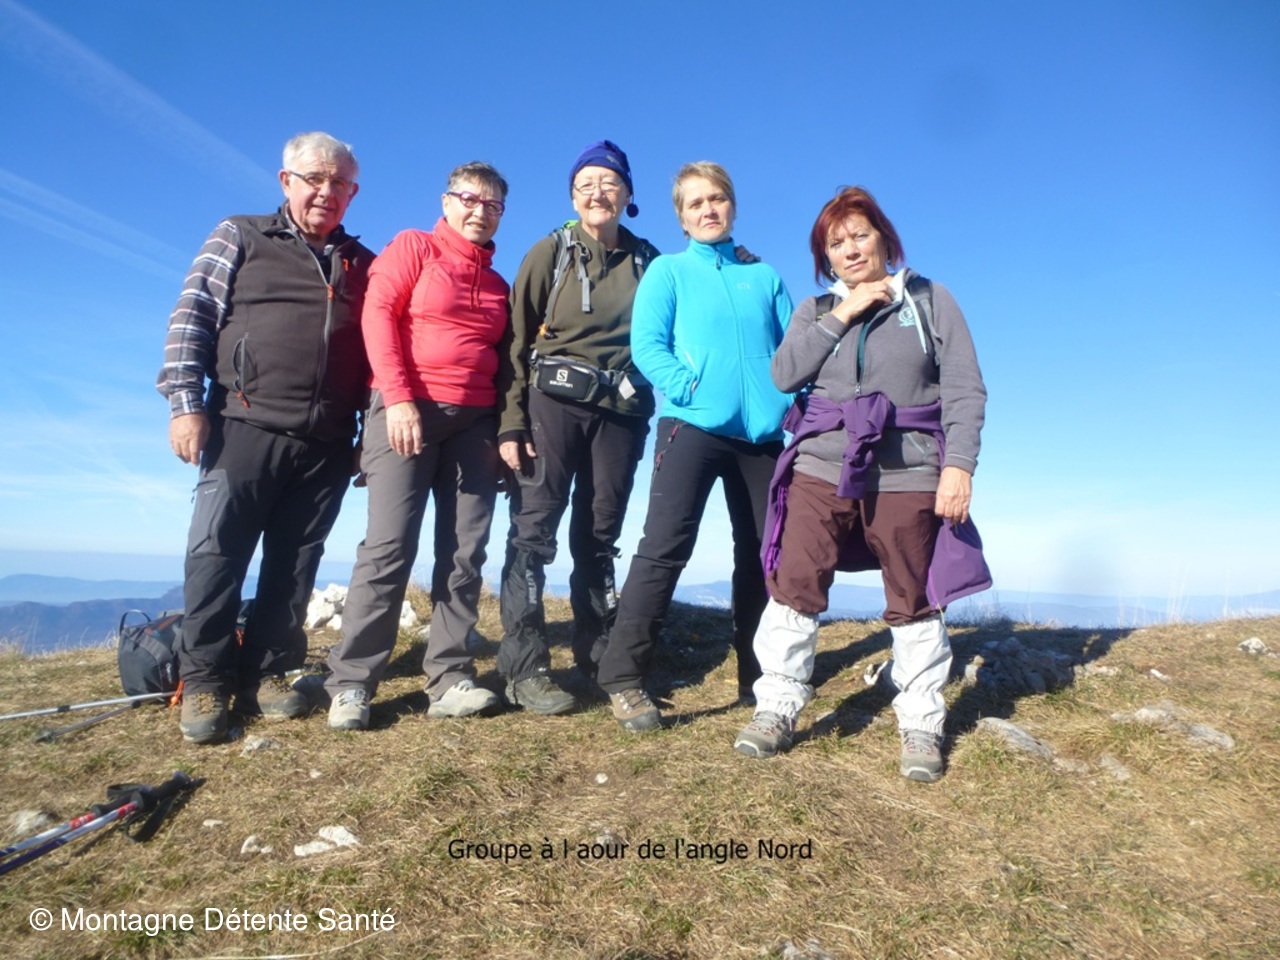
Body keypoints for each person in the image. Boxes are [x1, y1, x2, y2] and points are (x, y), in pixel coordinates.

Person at [733, 186, 988, 783]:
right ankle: (777, 706)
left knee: (914, 594)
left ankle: (921, 721)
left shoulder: (929, 299)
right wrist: (844, 312)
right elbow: (784, 374)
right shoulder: (816, 309)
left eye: (859, 236)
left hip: (909, 470)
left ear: (884, 240)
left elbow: (964, 388)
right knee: (796, 583)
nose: (849, 249)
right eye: (835, 243)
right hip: (819, 466)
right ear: (825, 257)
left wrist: (960, 466)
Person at [157, 131, 373, 744]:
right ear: (286, 181)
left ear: (353, 192)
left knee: (296, 562)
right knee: (217, 555)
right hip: (241, 425)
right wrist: (184, 404)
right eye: (314, 178)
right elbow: (192, 316)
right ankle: (205, 679)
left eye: (340, 183)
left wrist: (368, 430)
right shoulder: (241, 235)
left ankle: (270, 670)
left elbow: (376, 351)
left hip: (328, 439)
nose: (326, 192)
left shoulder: (363, 262)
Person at [595, 161, 794, 732]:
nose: (708, 210)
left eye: (717, 199)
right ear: (681, 218)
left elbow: (794, 352)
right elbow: (647, 345)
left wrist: (792, 403)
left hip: (763, 437)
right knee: (665, 547)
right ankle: (624, 677)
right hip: (692, 427)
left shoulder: (765, 277)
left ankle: (759, 675)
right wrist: (688, 387)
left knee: (764, 555)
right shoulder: (669, 271)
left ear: (732, 206)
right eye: (695, 203)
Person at [324, 162, 512, 730]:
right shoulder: (414, 246)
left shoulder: (498, 285)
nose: (480, 212)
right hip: (406, 408)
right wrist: (399, 398)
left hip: (475, 421)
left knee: (464, 551)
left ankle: (450, 676)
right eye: (470, 199)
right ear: (447, 201)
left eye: (493, 205)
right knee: (389, 546)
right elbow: (378, 314)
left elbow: (504, 360)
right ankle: (352, 683)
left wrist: (506, 431)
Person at [495, 140, 659, 715]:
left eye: (609, 182)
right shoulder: (552, 252)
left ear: (628, 194)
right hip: (552, 406)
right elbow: (515, 342)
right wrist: (511, 423)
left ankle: (599, 657)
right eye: (586, 184)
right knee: (533, 531)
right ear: (572, 196)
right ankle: (524, 668)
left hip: (622, 414)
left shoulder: (649, 261)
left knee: (599, 535)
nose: (598, 193)